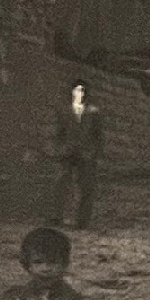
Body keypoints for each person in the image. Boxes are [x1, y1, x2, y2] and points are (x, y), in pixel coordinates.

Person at [46, 79, 104, 230]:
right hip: (67, 152)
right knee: (60, 184)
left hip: (86, 153)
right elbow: (58, 132)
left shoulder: (93, 112)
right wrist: (58, 149)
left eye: (82, 91)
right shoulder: (64, 110)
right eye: (76, 90)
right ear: (71, 92)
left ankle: (82, 221)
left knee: (86, 187)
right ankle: (56, 216)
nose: (79, 94)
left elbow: (99, 136)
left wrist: (95, 153)